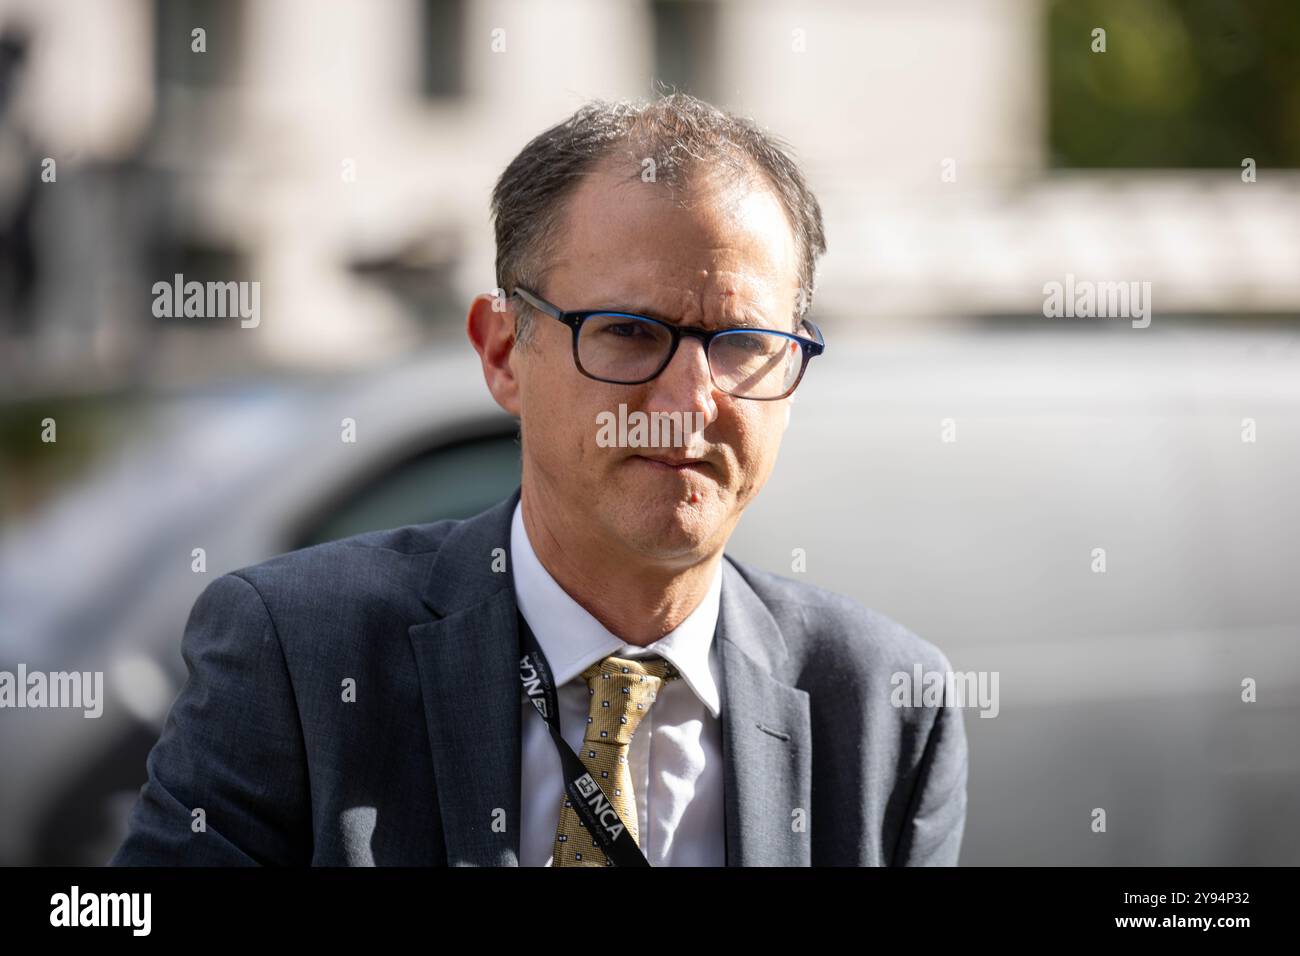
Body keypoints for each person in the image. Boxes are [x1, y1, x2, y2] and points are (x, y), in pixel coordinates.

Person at [110, 93, 967, 867]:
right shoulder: (297, 658)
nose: (691, 400)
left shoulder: (882, 711)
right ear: (501, 352)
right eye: (630, 331)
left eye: (743, 343)